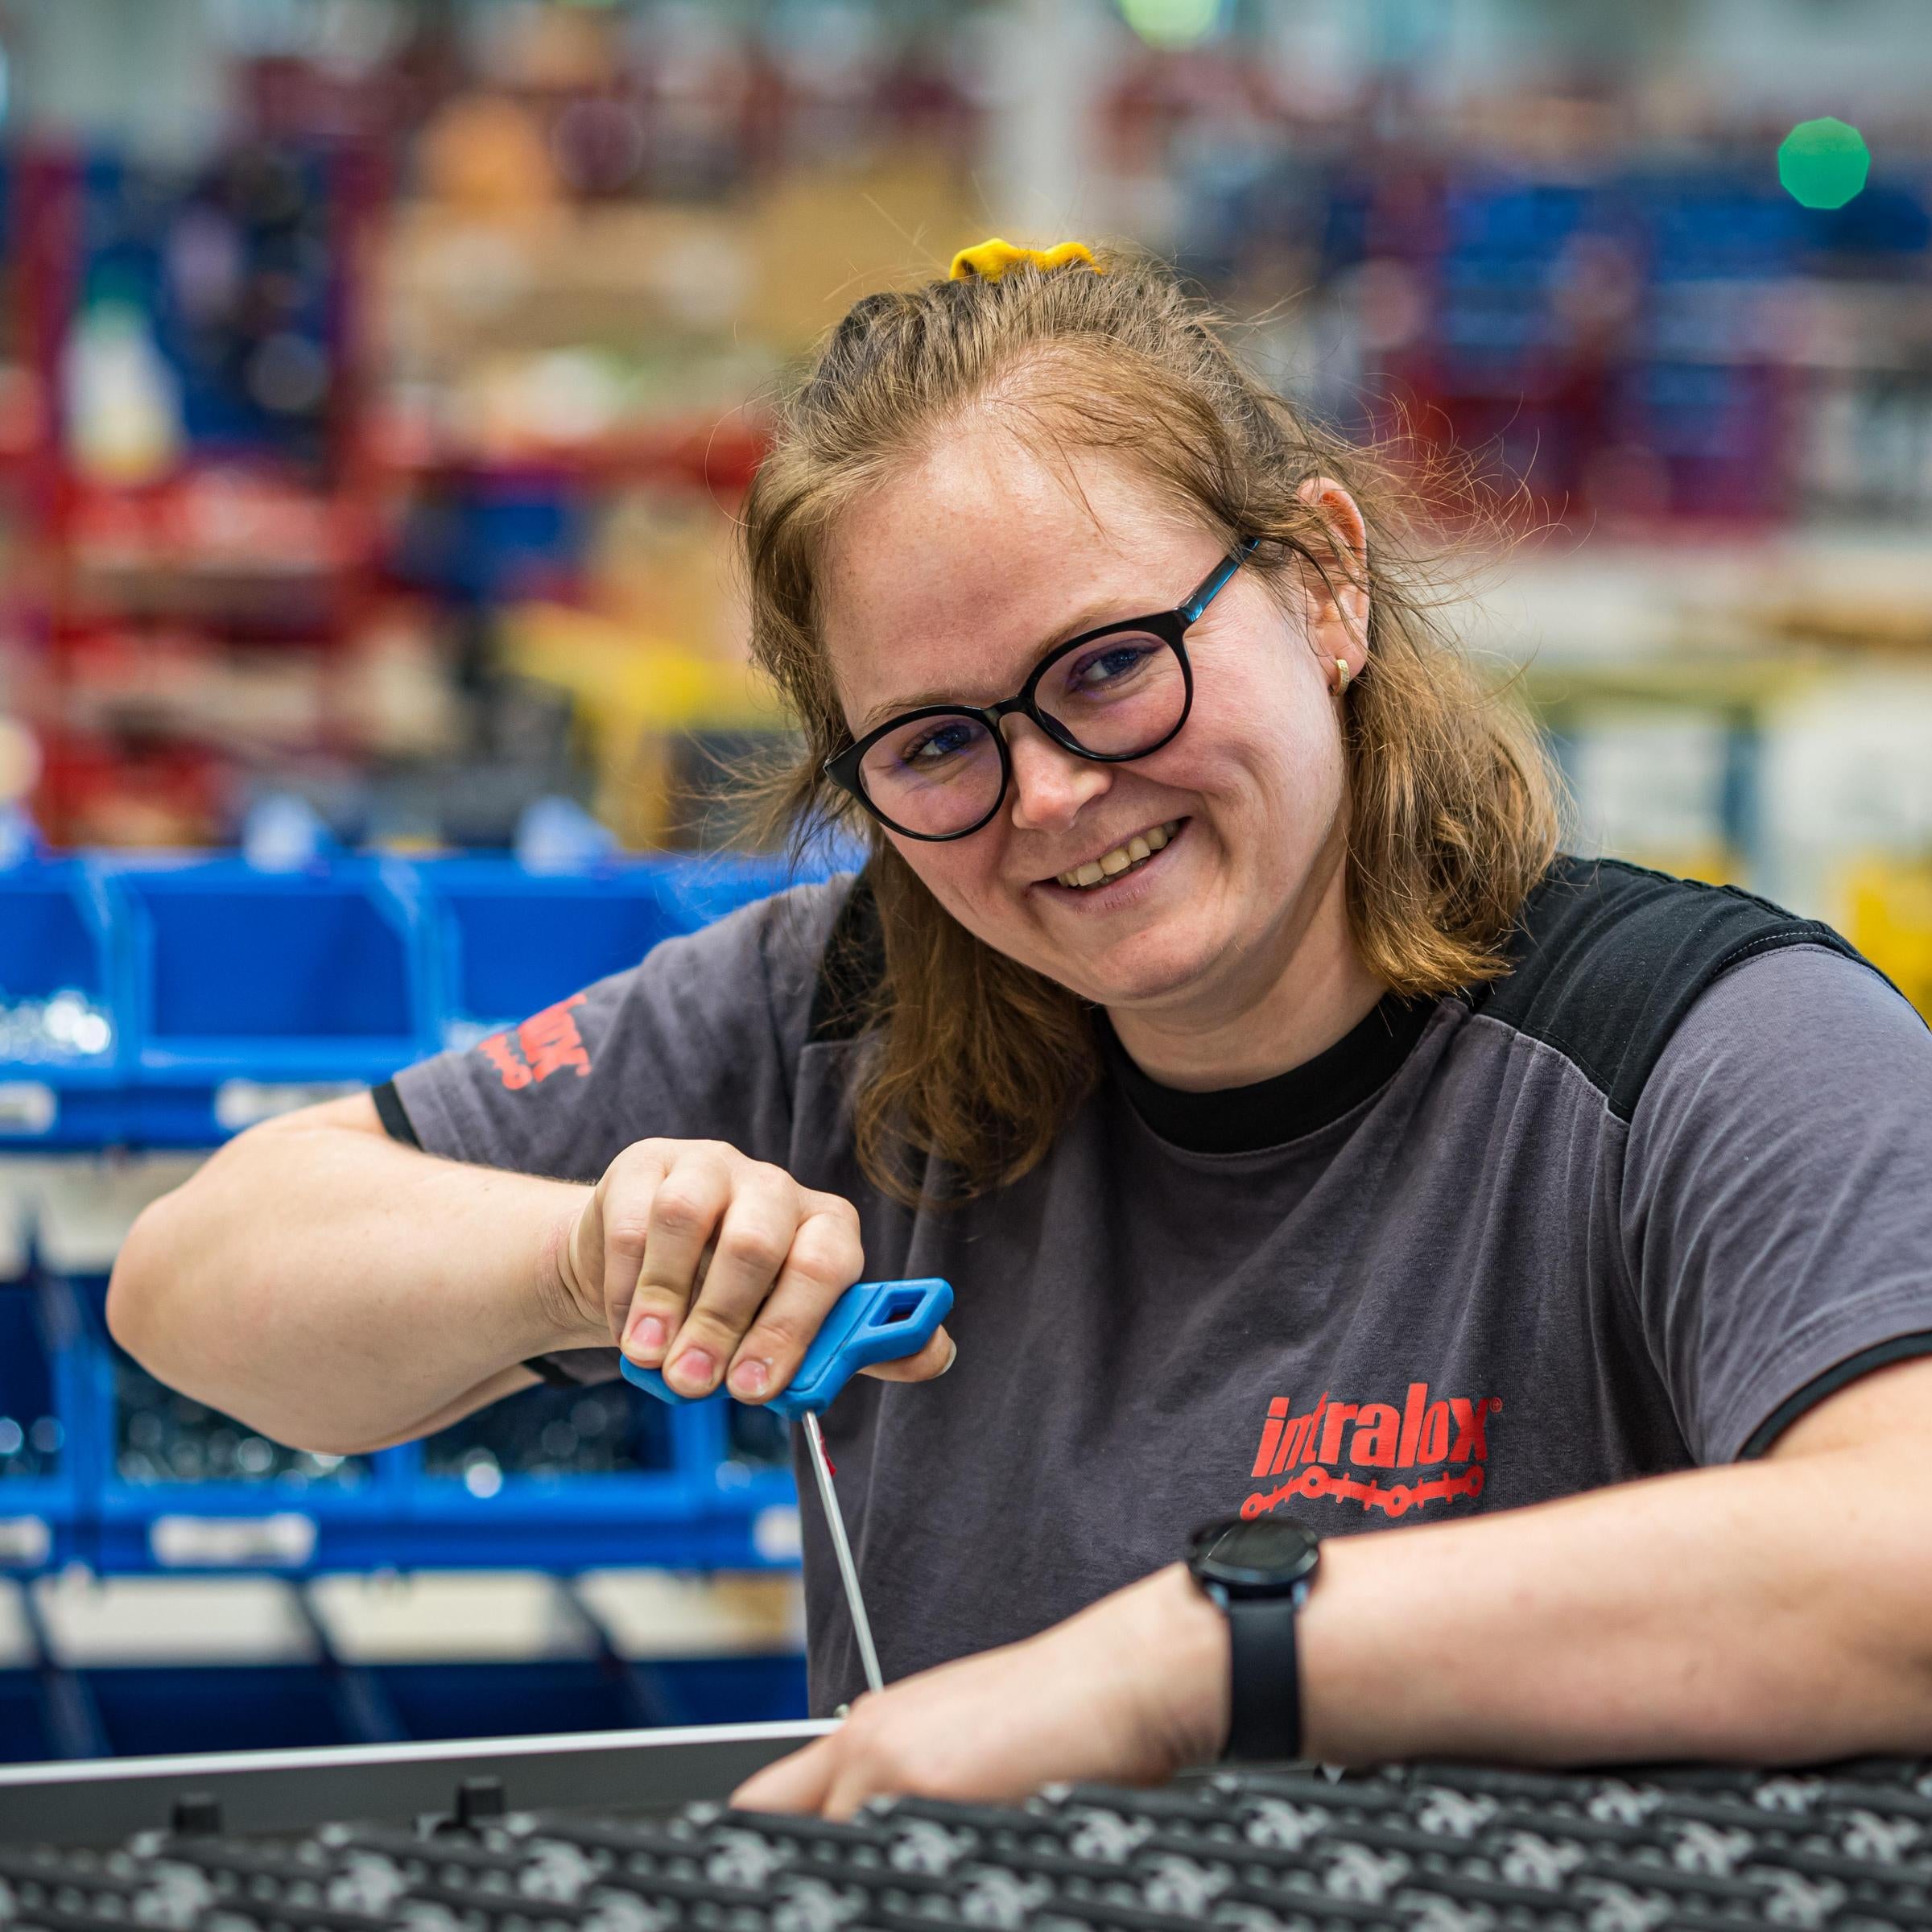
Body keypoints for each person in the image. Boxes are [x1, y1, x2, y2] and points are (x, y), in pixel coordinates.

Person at [109, 240, 1932, 1818]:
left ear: (1322, 584)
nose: (1050, 796)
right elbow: (193, 1286)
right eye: (933, 744)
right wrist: (586, 1253)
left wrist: (1200, 1662)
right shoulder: (849, 1015)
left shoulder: (1700, 1054)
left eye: (1110, 665)